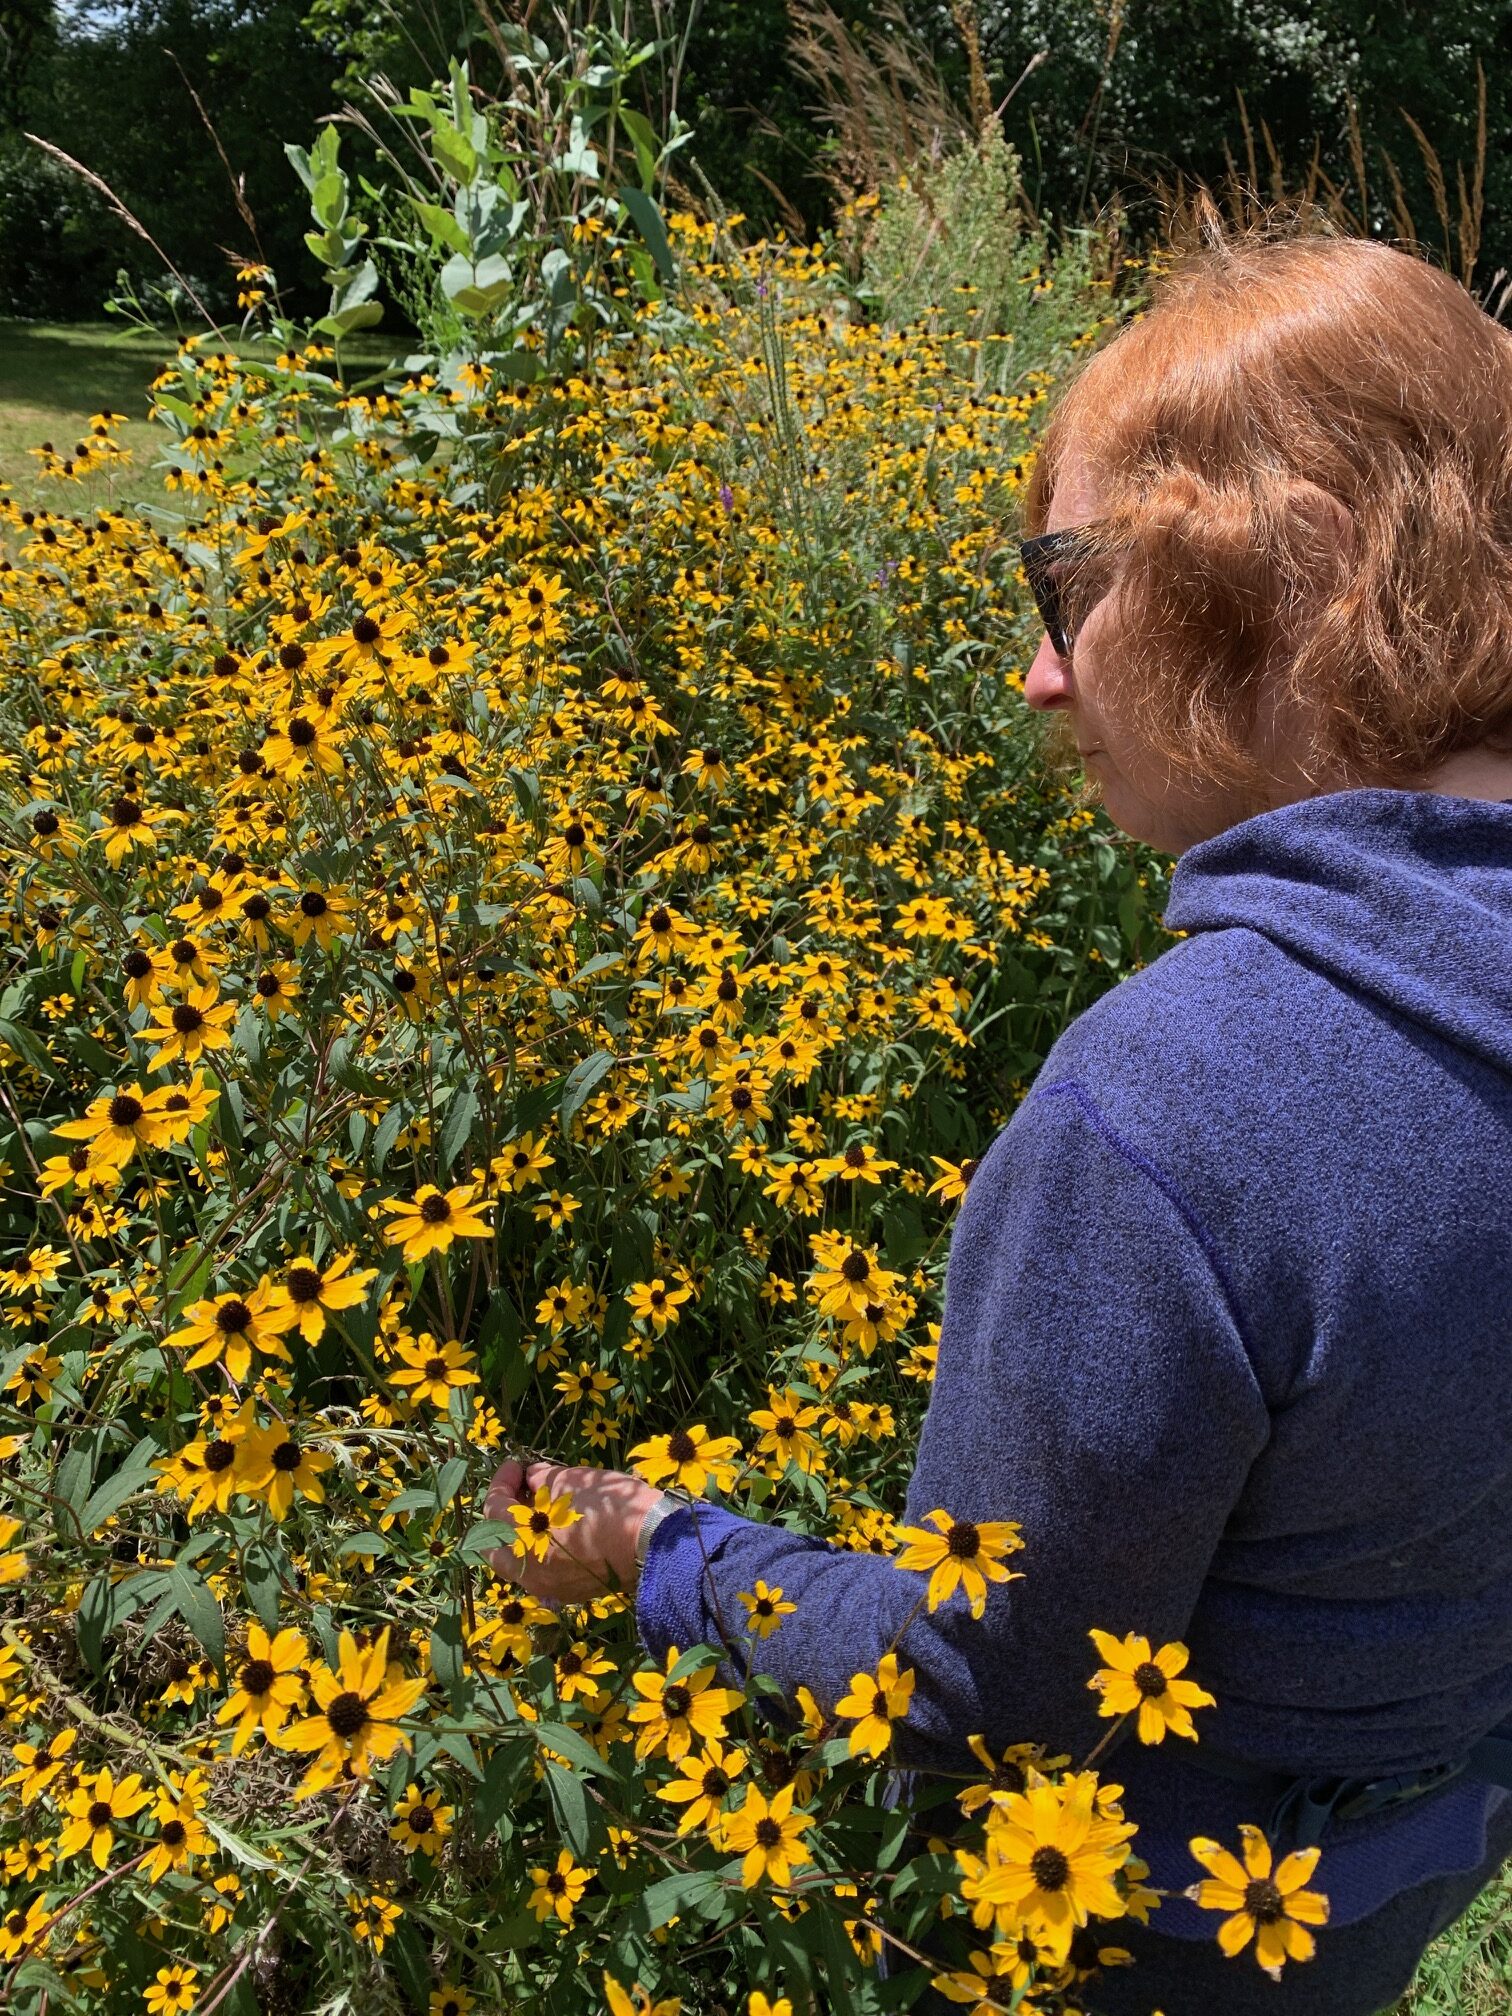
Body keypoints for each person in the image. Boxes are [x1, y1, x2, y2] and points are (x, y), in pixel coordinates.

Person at [485, 215, 1512, 2014]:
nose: (1040, 676)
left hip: (1158, 1934)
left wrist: (669, 1551)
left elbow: (987, 1693)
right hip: (1413, 1853)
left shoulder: (1171, 1110)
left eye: (1066, 588)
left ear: (1301, 564)